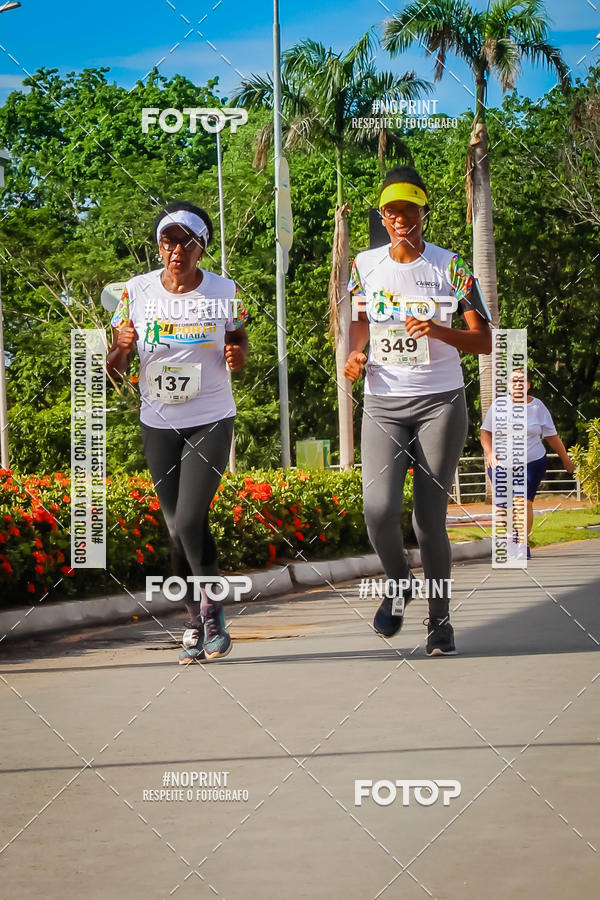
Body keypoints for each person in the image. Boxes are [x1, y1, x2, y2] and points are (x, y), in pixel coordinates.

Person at [344, 166, 491, 656]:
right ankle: (399, 581)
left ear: (424, 212)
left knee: (428, 521)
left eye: (410, 209)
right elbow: (359, 320)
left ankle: (439, 621)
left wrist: (439, 330)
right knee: (378, 510)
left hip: (439, 402)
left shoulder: (452, 267)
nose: (401, 218)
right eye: (393, 211)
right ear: (383, 216)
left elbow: (486, 340)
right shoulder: (364, 265)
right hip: (383, 402)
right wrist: (356, 353)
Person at [107, 201, 249, 664]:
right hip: (159, 421)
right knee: (174, 527)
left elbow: (238, 338)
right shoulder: (136, 291)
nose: (175, 251)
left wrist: (237, 355)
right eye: (168, 242)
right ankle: (193, 617)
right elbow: (114, 368)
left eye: (186, 243)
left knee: (189, 519)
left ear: (201, 247)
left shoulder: (224, 290)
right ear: (159, 246)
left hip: (210, 417)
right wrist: (120, 349)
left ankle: (213, 611)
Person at [480, 369, 575, 557]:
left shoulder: (538, 407)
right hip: (500, 463)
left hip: (531, 462)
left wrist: (566, 459)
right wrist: (490, 453)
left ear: (528, 385)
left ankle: (523, 544)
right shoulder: (498, 406)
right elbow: (485, 433)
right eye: (514, 381)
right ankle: (509, 539)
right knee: (503, 504)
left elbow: (552, 436)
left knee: (523, 502)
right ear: (508, 385)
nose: (517, 384)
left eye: (522, 381)